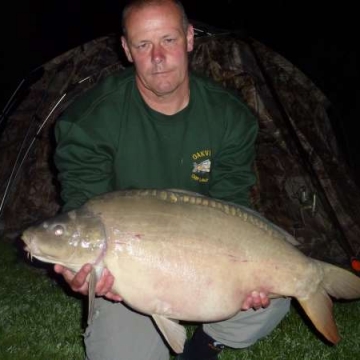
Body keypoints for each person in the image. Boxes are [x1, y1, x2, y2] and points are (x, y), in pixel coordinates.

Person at [53, 0, 290, 359]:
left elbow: (233, 203)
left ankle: (204, 346)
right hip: (130, 271)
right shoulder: (88, 122)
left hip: (207, 255)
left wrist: (247, 275)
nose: (158, 57)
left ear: (190, 38)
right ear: (126, 49)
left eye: (168, 40)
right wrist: (81, 272)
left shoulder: (230, 117)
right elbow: (82, 211)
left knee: (277, 293)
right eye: (143, 45)